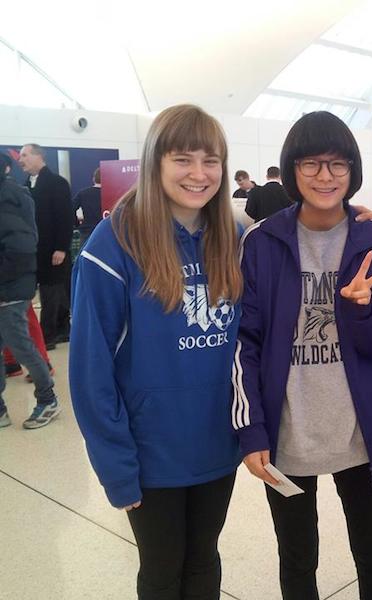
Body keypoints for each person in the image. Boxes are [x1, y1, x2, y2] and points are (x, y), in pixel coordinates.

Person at [232, 111, 372, 600]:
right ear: (291, 170)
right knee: (296, 554)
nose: (325, 177)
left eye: (337, 165)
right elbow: (243, 341)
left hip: (361, 431)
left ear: (353, 171)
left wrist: (360, 308)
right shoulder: (261, 241)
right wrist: (251, 429)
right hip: (287, 430)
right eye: (311, 164)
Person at [69, 104, 243, 599]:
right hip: (151, 456)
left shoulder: (232, 238)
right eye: (183, 159)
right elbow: (90, 372)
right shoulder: (114, 244)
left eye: (211, 161)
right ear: (154, 162)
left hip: (217, 448)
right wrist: (117, 468)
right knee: (163, 569)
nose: (199, 174)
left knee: (204, 561)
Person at [0, 151, 61, 430]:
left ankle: (47, 399)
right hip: (8, 285)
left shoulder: (10, 199)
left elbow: (21, 249)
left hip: (10, 288)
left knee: (22, 345)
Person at [18, 143, 73, 349]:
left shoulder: (56, 183)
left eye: (24, 155)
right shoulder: (27, 184)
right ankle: (60, 330)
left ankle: (48, 334)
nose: (20, 159)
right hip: (36, 250)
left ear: (38, 156)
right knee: (52, 291)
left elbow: (64, 217)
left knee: (53, 292)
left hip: (53, 249)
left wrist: (61, 247)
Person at [72, 167, 103, 244]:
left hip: (87, 231)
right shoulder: (110, 194)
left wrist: (76, 223)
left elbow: (70, 209)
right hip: (106, 231)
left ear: (93, 179)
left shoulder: (83, 193)